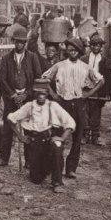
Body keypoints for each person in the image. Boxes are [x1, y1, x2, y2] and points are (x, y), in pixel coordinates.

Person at [42, 38, 104, 178]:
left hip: (79, 104)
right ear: (66, 50)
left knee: (77, 137)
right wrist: (53, 95)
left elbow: (101, 80)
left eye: (75, 49)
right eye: (70, 49)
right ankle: (56, 166)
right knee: (58, 135)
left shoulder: (85, 67)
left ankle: (71, 169)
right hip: (63, 103)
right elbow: (45, 79)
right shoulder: (59, 65)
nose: (73, 52)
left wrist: (88, 93)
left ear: (80, 51)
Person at [8, 79, 75, 193]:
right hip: (36, 142)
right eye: (38, 93)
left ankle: (57, 182)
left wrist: (62, 138)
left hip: (50, 139)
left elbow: (70, 123)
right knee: (36, 179)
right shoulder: (29, 106)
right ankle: (46, 167)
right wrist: (20, 136)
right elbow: (11, 119)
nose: (41, 96)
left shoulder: (53, 106)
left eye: (43, 93)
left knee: (57, 146)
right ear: (34, 94)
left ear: (47, 94)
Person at [0, 28, 42, 166]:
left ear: (25, 43)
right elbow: (2, 79)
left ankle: (29, 160)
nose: (19, 45)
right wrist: (13, 95)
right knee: (8, 127)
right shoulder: (6, 58)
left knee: (28, 128)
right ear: (13, 42)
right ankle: (3, 158)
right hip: (11, 97)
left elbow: (37, 79)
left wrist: (26, 94)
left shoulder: (32, 57)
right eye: (17, 42)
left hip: (27, 98)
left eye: (22, 42)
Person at [81, 34, 110, 146]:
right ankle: (84, 134)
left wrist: (105, 91)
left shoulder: (104, 60)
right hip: (86, 87)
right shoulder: (84, 58)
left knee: (96, 113)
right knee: (85, 112)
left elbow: (106, 76)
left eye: (98, 45)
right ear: (90, 46)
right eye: (93, 45)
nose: (95, 47)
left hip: (98, 89)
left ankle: (95, 136)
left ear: (101, 47)